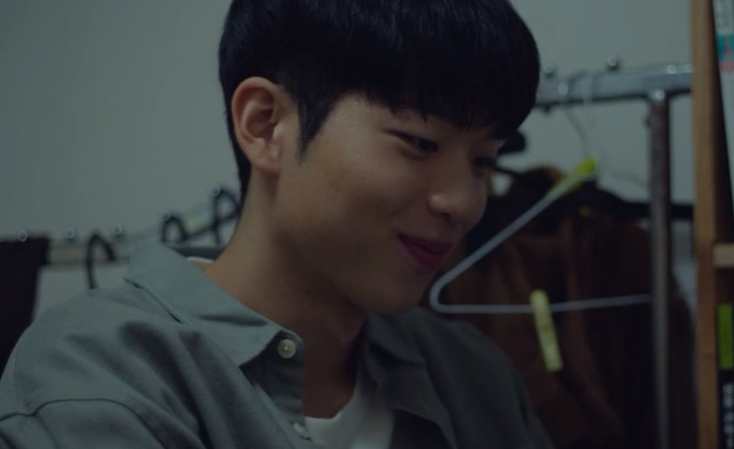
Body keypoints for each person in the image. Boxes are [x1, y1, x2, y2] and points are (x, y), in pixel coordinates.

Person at [0, 0, 551, 448]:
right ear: (265, 126)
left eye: (483, 161)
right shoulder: (99, 374)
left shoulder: (473, 375)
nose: (463, 202)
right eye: (421, 143)